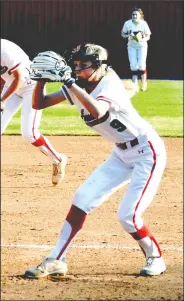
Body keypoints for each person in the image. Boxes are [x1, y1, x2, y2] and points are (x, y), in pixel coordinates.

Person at [24, 43, 166, 279]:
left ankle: (156, 257)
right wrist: (41, 79)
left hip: (147, 152)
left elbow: (98, 110)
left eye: (84, 64)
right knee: (82, 199)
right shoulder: (80, 84)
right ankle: (56, 259)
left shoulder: (108, 83)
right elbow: (40, 103)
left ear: (99, 65)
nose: (77, 68)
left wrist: (69, 82)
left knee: (128, 216)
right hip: (120, 155)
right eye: (76, 64)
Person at [0, 39, 67, 185]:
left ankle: (58, 159)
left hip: (31, 87)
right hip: (12, 87)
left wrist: (2, 100)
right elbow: (3, 77)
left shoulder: (5, 50)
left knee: (29, 132)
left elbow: (19, 77)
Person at [121, 8, 151, 92]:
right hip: (131, 46)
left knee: (141, 65)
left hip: (142, 46)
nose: (134, 16)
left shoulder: (144, 24)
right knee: (133, 65)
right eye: (133, 14)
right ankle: (134, 85)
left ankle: (144, 84)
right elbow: (123, 34)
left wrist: (141, 39)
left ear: (140, 16)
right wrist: (128, 36)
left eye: (136, 14)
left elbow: (148, 35)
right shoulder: (127, 23)